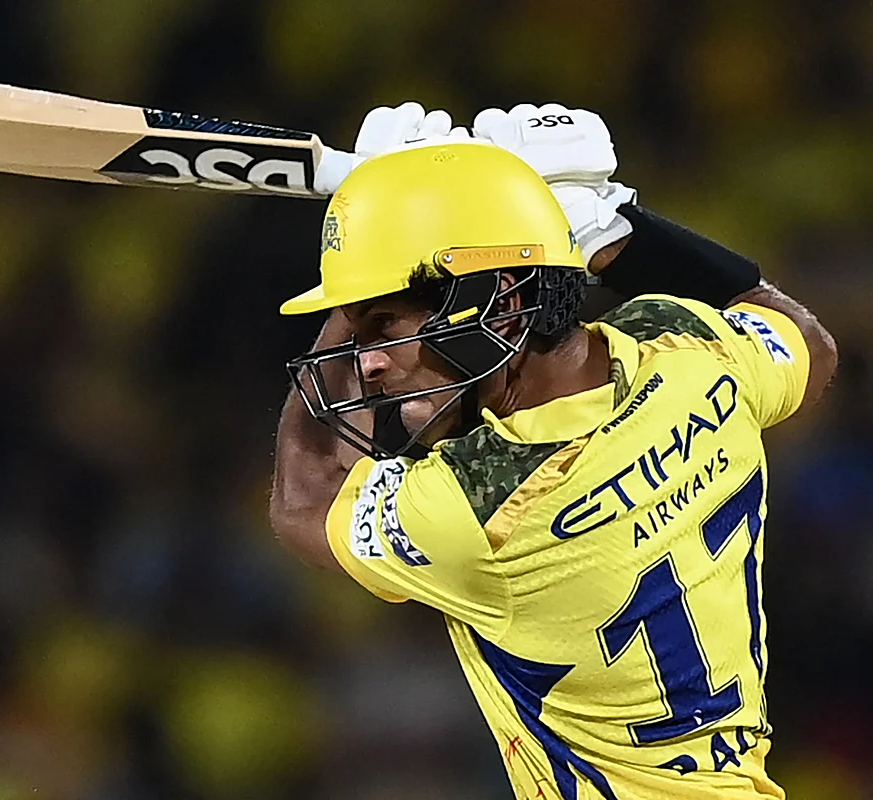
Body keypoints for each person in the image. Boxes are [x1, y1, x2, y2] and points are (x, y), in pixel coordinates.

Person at [270, 103, 838, 800]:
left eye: (382, 322)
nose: (367, 362)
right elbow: (800, 335)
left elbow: (305, 500)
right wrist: (610, 227)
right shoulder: (691, 349)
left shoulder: (480, 509)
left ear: (505, 303)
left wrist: (373, 242)